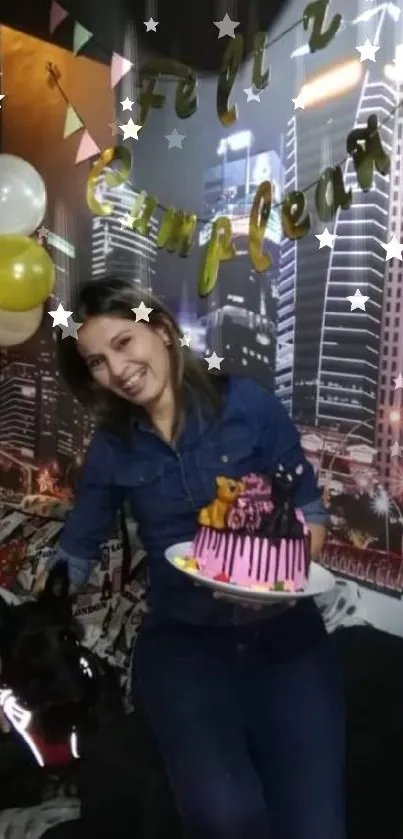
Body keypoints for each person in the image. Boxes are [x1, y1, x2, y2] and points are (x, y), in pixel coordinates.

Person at [39, 276, 345, 839]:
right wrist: (40, 609)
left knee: (316, 827)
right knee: (222, 816)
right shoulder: (112, 448)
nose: (117, 370)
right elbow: (79, 544)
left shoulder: (248, 405)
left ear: (159, 329)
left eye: (124, 343)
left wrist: (268, 579)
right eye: (96, 362)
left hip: (286, 637)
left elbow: (312, 516)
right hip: (183, 642)